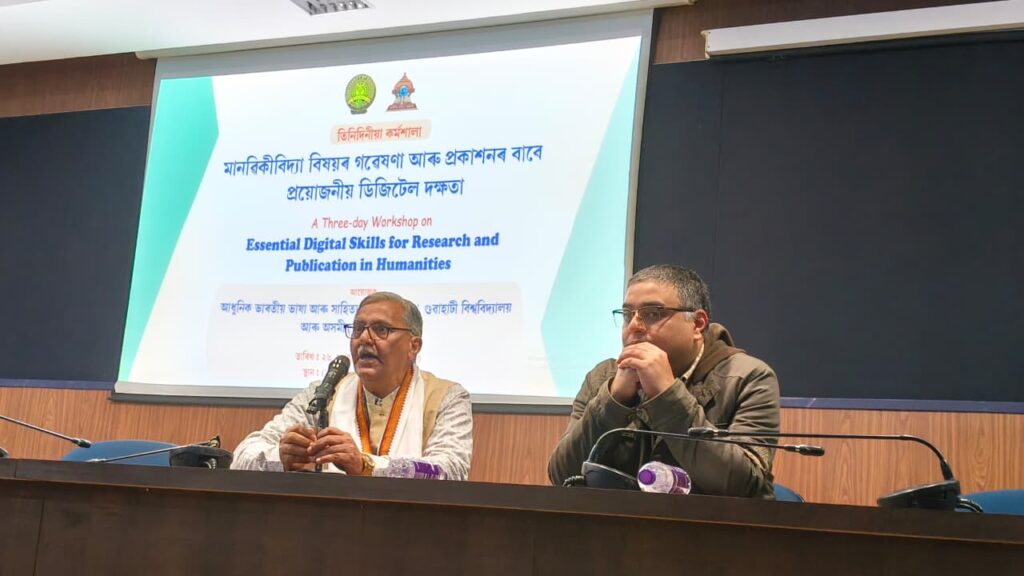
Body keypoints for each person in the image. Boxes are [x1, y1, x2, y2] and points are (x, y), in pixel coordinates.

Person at [548, 265, 780, 497]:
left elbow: (747, 486)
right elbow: (562, 475)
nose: (634, 326)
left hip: (705, 520)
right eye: (627, 314)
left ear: (697, 324)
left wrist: (667, 395)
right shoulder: (603, 378)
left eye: (653, 313)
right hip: (617, 518)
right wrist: (614, 401)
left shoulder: (748, 378)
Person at [232, 291, 473, 480]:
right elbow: (243, 456)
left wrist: (366, 466)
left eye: (381, 330)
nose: (364, 339)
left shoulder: (446, 397)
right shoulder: (323, 393)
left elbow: (449, 471)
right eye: (358, 329)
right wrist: (280, 458)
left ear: (413, 346)